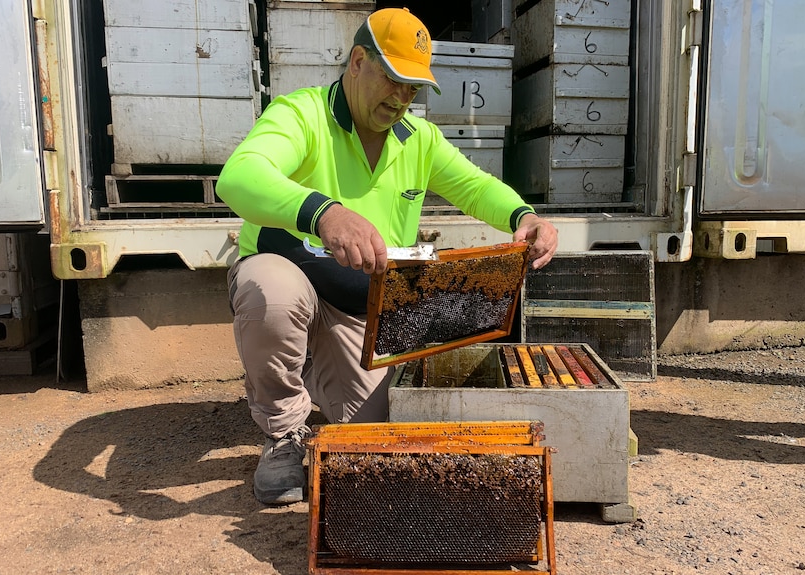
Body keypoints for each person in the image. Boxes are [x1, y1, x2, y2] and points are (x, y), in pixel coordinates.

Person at [216, 7, 559, 505]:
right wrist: (325, 213)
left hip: (364, 307)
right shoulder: (301, 114)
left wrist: (522, 216)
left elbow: (474, 186)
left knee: (378, 437)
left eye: (413, 88)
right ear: (357, 61)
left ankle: (315, 364)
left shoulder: (419, 140)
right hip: (291, 277)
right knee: (269, 291)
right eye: (393, 79)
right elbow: (239, 177)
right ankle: (283, 435)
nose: (401, 98)